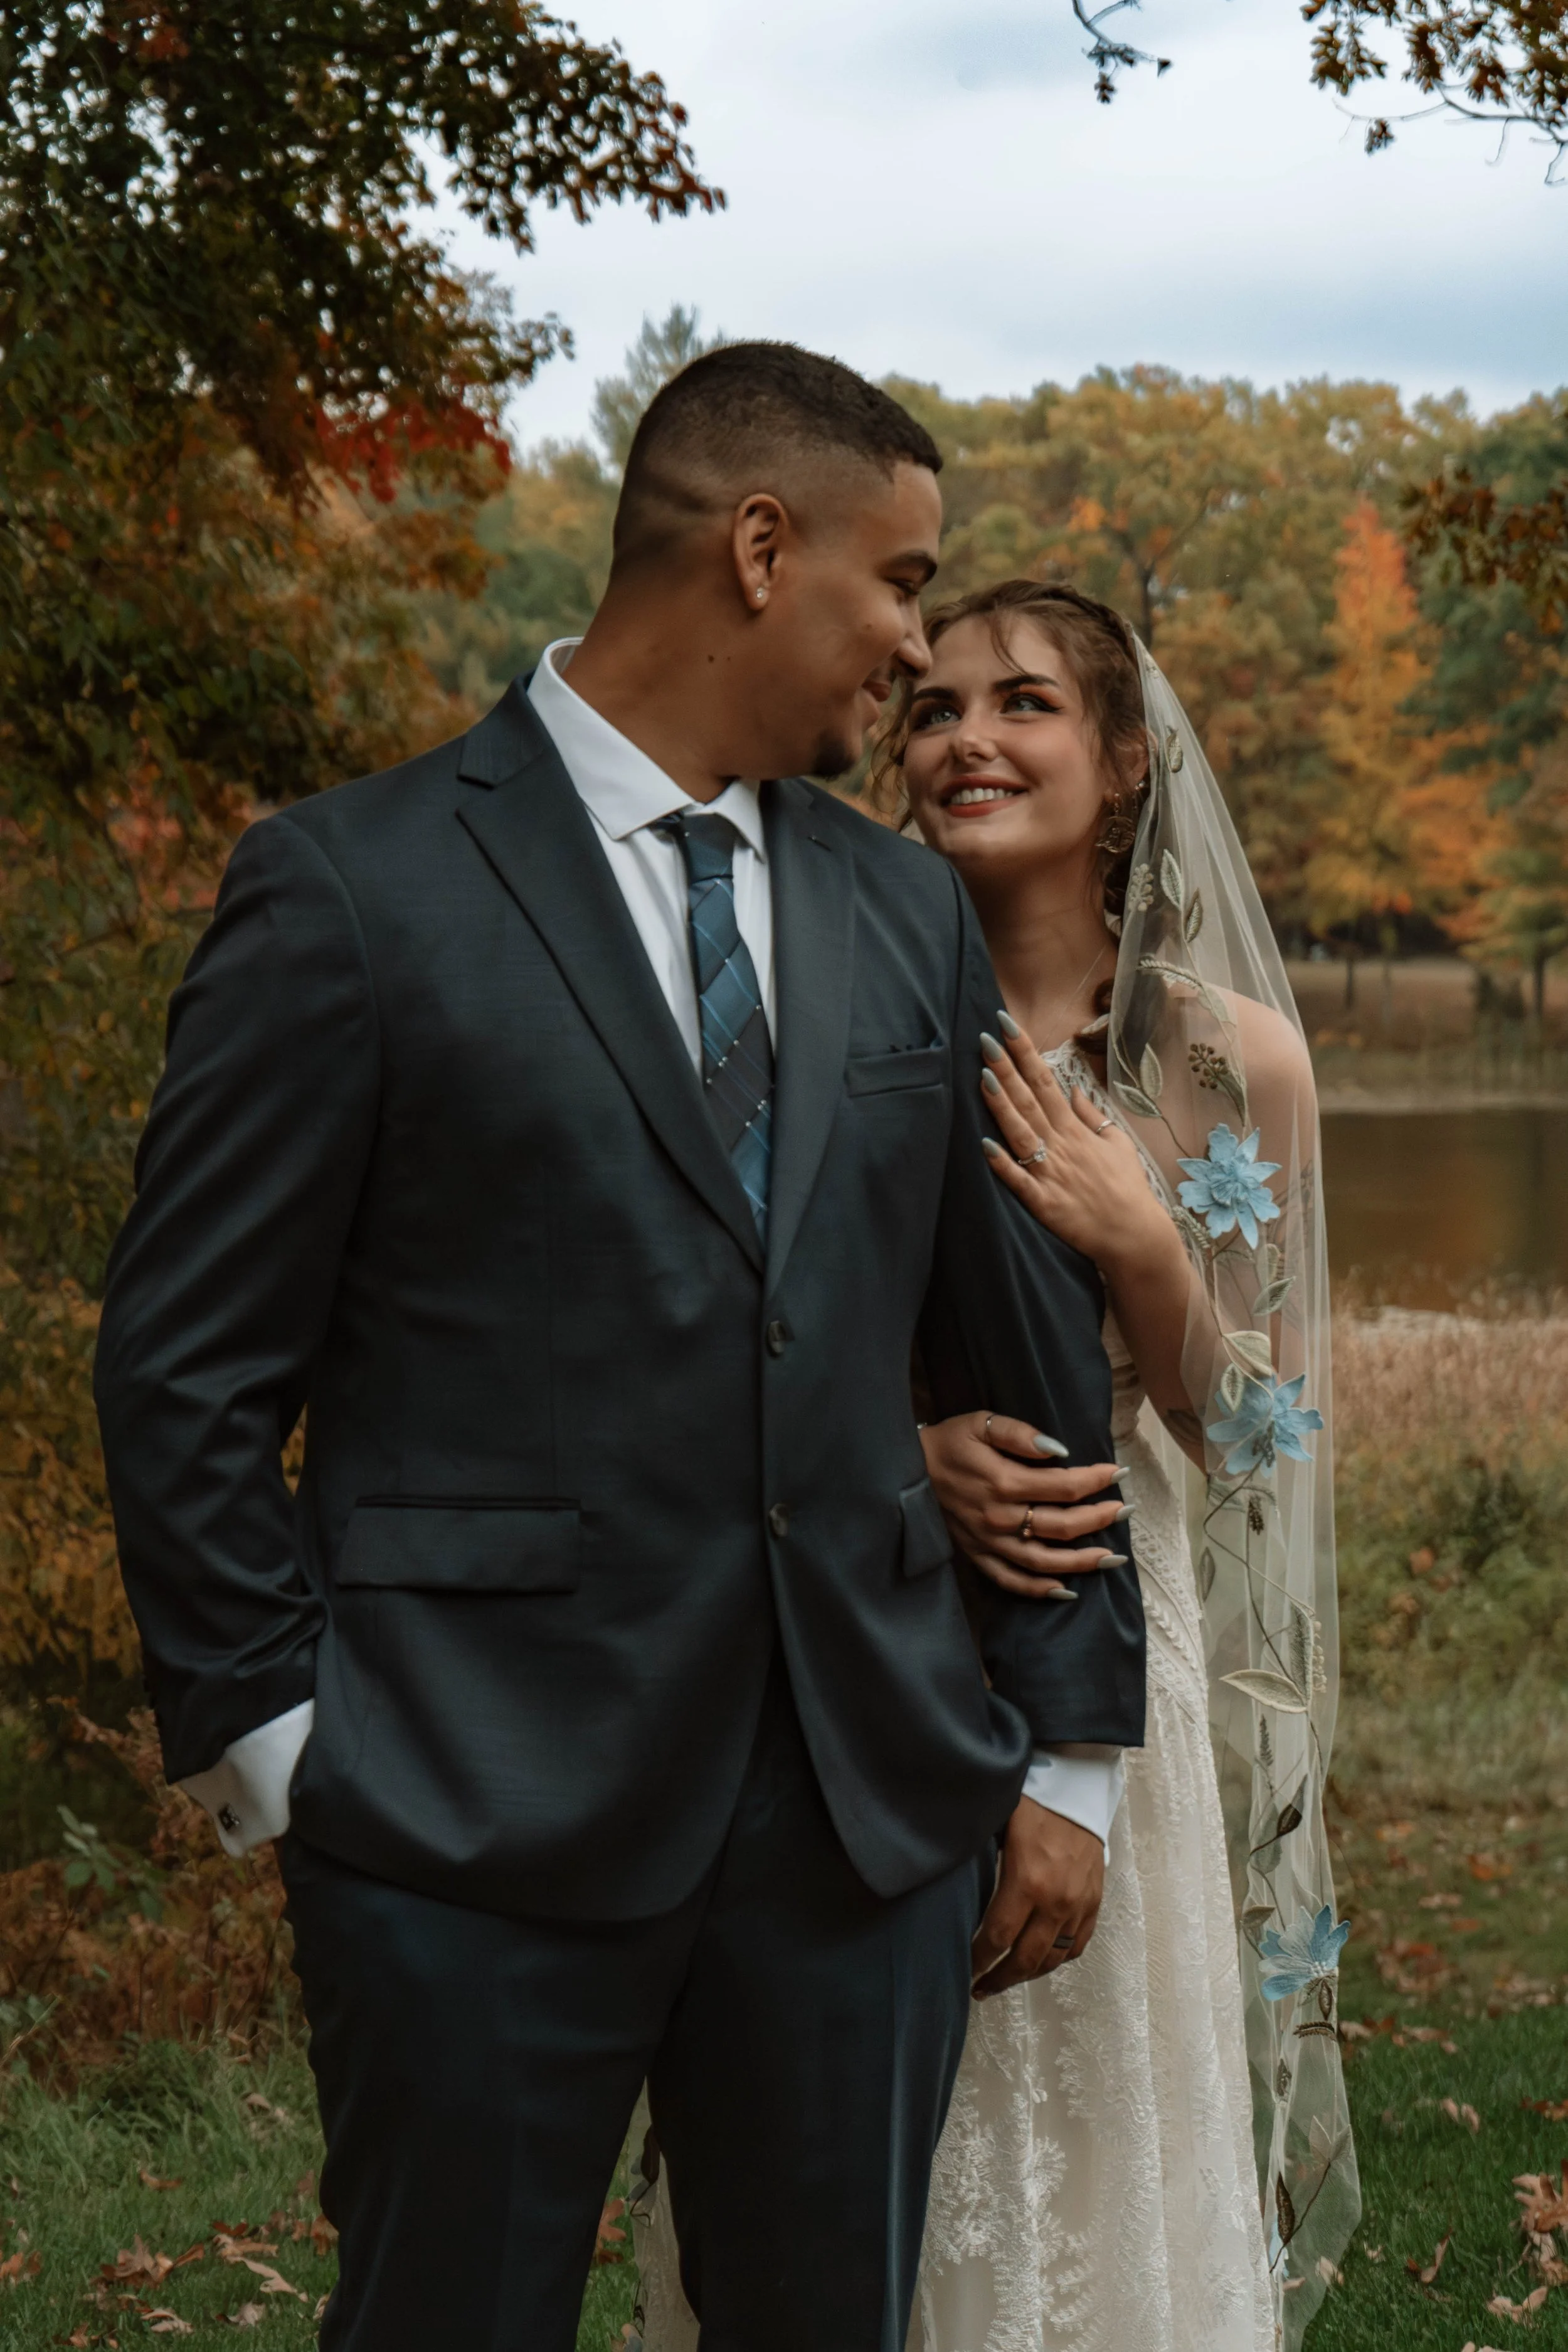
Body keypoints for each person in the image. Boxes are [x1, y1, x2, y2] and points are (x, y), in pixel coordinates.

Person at [92, 351, 1146, 2352]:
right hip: (458, 1812)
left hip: (859, 1828)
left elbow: (1015, 1352)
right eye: (900, 579)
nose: (916, 643)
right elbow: (183, 1370)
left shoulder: (902, 910)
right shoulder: (350, 888)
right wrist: (290, 1756)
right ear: (762, 548)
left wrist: (1070, 1754)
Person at [639, 580, 1360, 2352]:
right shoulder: (797, 1014)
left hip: (1114, 1623)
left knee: (1101, 2110)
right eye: (937, 704)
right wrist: (893, 1457)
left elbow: (1260, 1433)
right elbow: (690, 1346)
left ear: (1122, 762)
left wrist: (1136, 1241)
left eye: (1024, 702)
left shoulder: (1219, 1056)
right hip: (844, 1622)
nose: (966, 736)